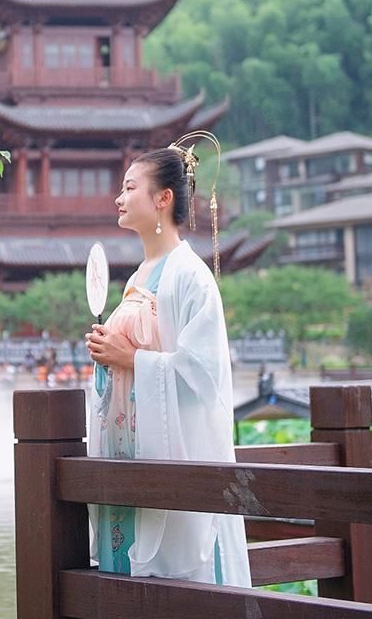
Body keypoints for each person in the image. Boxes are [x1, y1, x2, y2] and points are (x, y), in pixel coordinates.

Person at [84, 135, 251, 586]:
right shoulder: (139, 277)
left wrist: (132, 359)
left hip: (175, 458)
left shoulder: (191, 277)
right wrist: (108, 357)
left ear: (163, 198)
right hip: (132, 451)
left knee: (179, 591)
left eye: (130, 187)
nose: (119, 197)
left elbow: (203, 376)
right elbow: (134, 362)